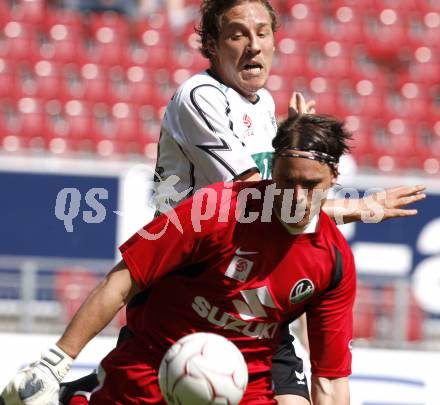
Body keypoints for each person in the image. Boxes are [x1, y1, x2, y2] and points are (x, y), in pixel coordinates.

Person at [43, 0, 423, 404]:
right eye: (238, 34)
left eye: (262, 33)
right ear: (211, 43)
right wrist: (359, 208)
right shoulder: (200, 95)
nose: (253, 46)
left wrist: (293, 136)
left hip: (254, 275)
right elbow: (261, 195)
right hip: (189, 275)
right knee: (150, 388)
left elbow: (277, 194)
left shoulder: (262, 107)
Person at [3, 113, 374, 404]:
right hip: (153, 365)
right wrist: (56, 361)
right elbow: (122, 280)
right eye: (285, 181)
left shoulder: (334, 262)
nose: (295, 196)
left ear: (333, 178)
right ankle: (74, 393)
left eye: (309, 185)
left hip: (246, 387)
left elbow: (329, 378)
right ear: (271, 171)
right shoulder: (213, 208)